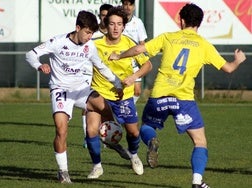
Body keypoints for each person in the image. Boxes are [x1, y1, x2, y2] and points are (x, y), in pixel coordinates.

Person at [109, 3, 246, 188]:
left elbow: (139, 50)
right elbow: (228, 69)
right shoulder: (204, 45)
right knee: (200, 142)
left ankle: (152, 141)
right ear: (199, 23)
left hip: (159, 96)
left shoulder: (168, 37)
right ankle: (197, 182)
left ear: (181, 21)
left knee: (146, 127)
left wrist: (119, 56)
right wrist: (237, 61)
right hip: (184, 100)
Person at [25, 10, 123, 184]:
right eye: (87, 32)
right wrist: (39, 66)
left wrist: (117, 83)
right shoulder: (58, 42)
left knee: (104, 107)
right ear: (77, 28)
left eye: (92, 33)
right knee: (61, 130)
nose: (89, 37)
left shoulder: (89, 46)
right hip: (61, 90)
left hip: (81, 90)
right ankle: (63, 171)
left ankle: (111, 140)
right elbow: (30, 54)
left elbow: (100, 66)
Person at [88, 6, 152, 178]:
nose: (115, 28)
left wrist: (134, 77)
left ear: (124, 26)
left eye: (119, 24)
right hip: (99, 92)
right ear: (105, 25)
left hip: (123, 95)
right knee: (91, 130)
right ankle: (97, 166)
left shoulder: (129, 43)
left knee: (133, 132)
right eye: (112, 24)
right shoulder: (95, 44)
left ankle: (134, 155)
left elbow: (148, 65)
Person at [81, 4, 113, 149]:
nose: (105, 18)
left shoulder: (114, 33)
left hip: (107, 71)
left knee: (106, 107)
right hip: (91, 73)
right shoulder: (94, 32)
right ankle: (87, 137)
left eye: (108, 15)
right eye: (103, 15)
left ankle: (107, 135)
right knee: (87, 105)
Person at [121, 0, 148, 104]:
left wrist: (142, 58)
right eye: (125, 4)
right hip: (120, 59)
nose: (128, 7)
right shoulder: (118, 21)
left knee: (137, 91)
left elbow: (142, 42)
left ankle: (128, 111)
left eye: (130, 4)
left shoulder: (138, 22)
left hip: (134, 60)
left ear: (134, 7)